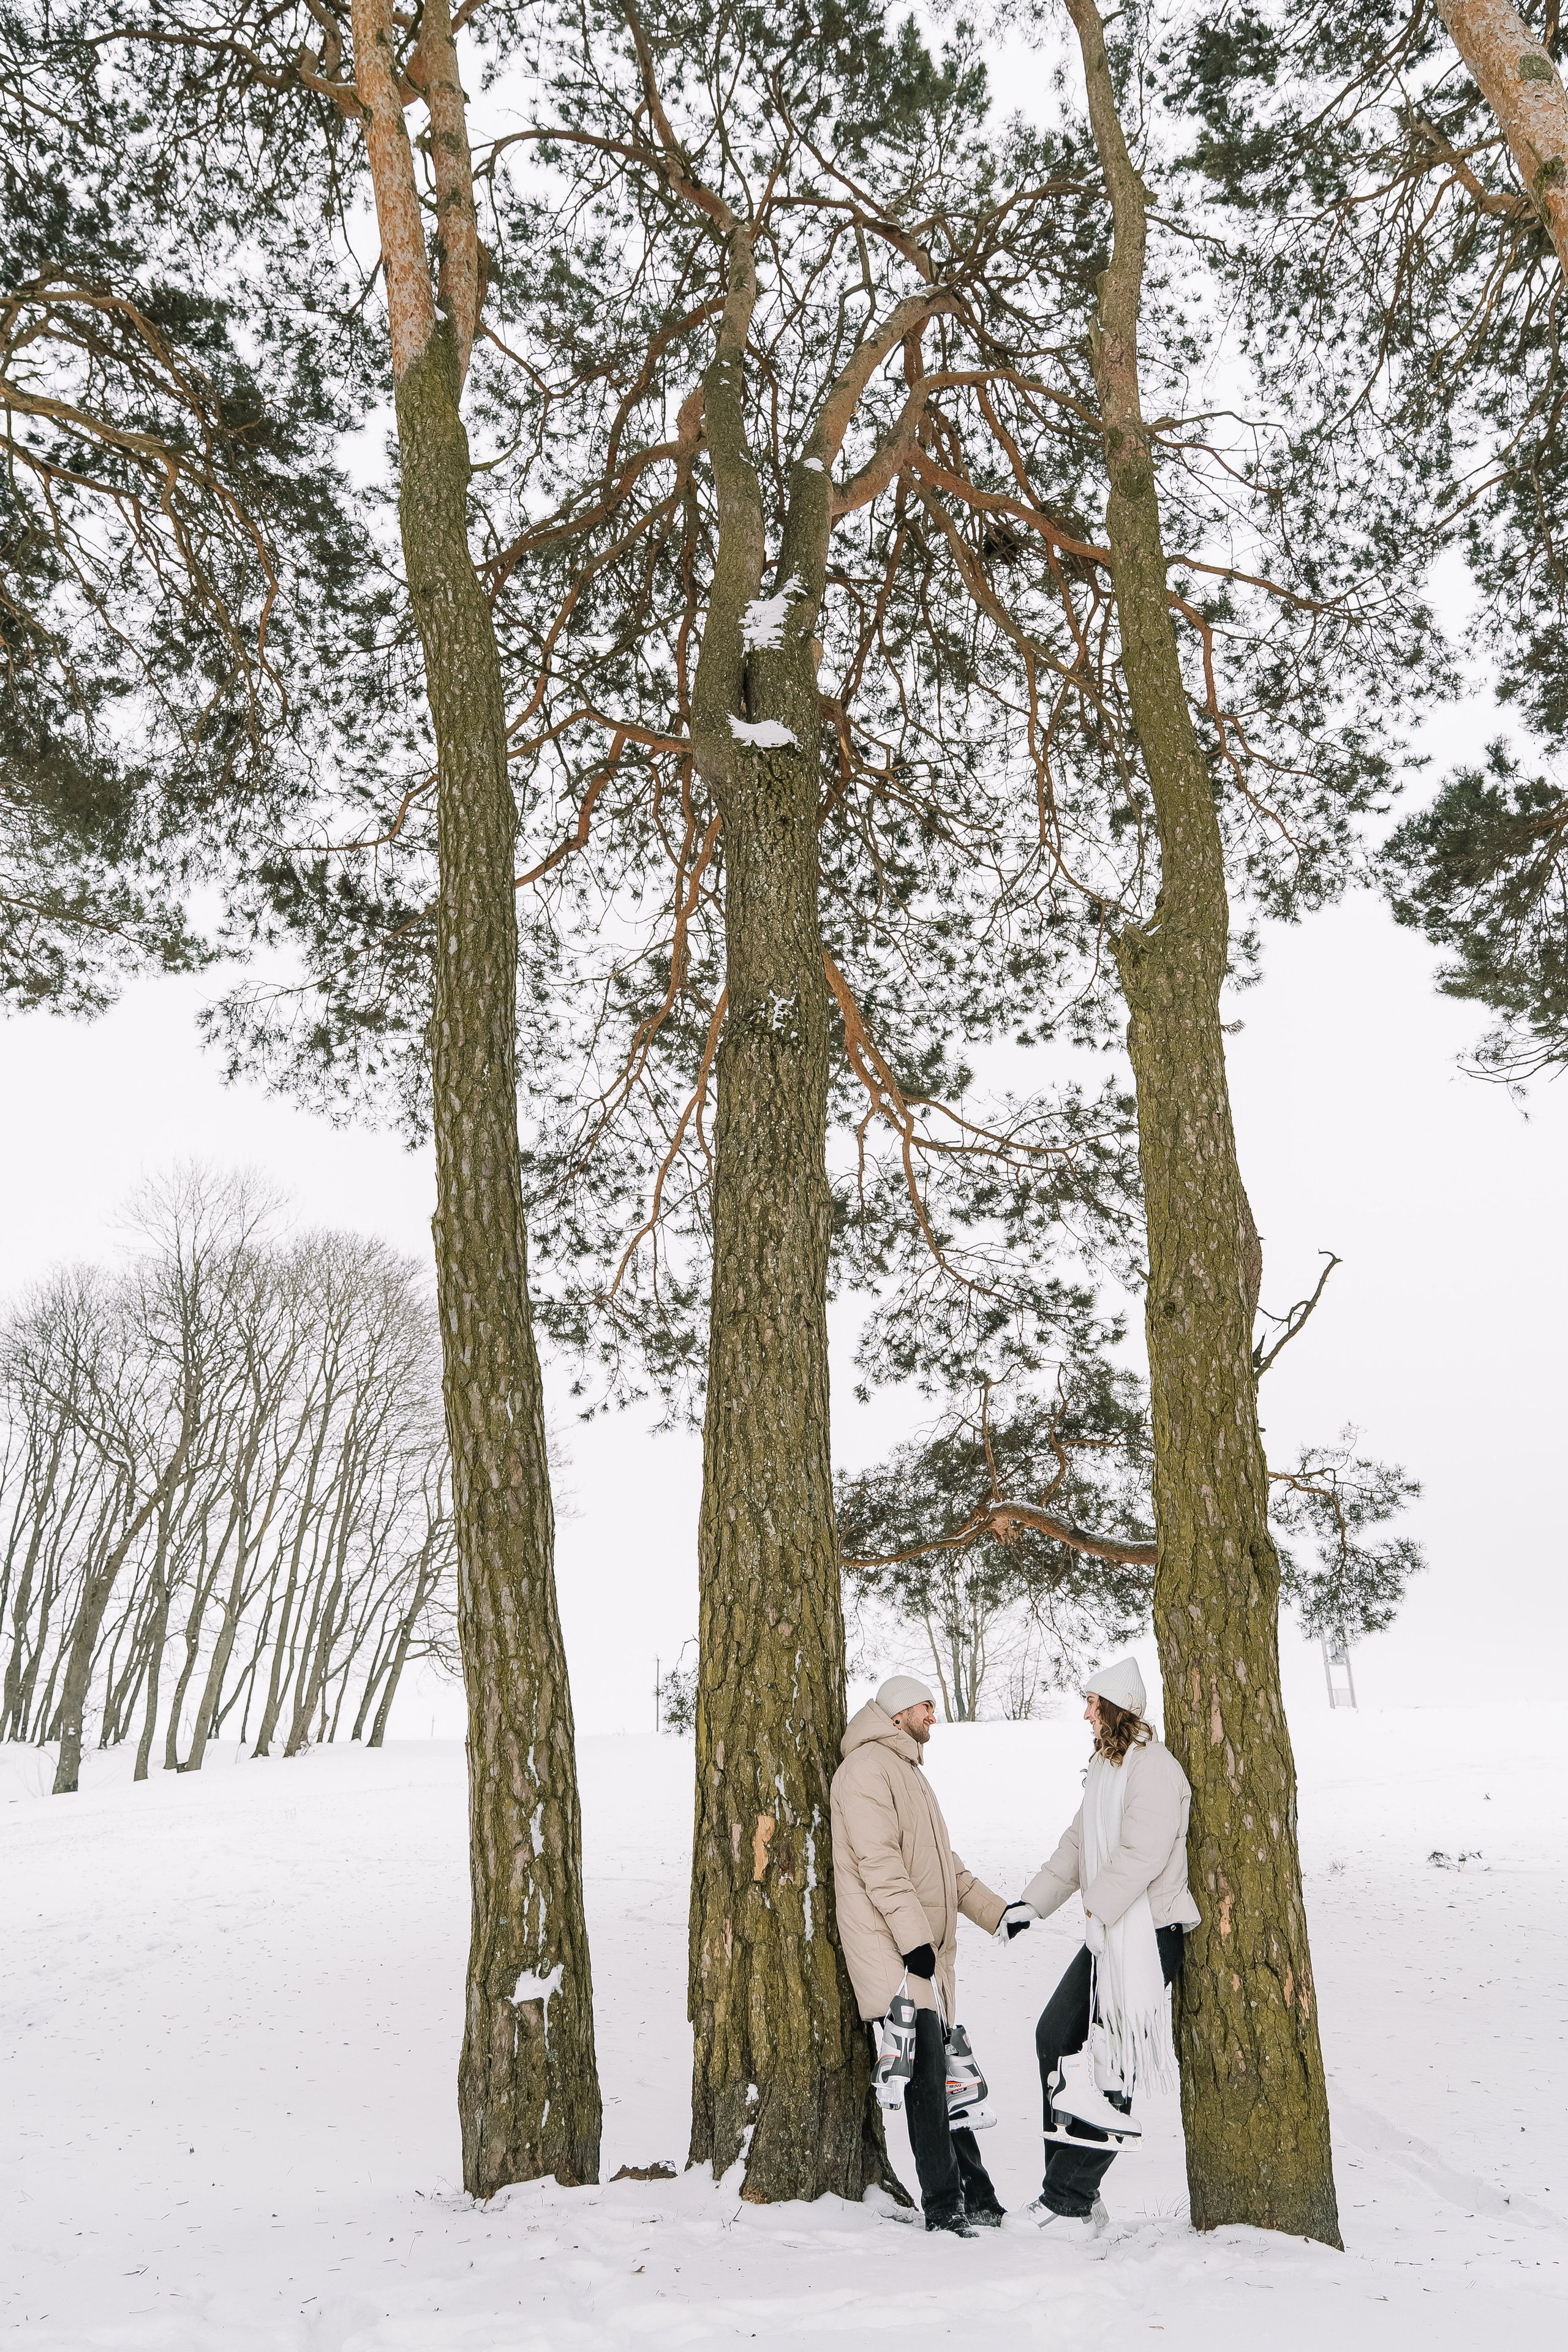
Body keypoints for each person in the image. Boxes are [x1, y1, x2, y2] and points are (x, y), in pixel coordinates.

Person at [998, 1656, 1201, 2240]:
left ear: (1116, 1708)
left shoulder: (1154, 1769)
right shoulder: (1106, 1769)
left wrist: (1095, 1911)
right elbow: (1076, 1844)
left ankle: (1068, 2202)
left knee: (1116, 2060)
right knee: (1053, 2037)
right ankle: (1068, 2193)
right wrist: (1032, 1904)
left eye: (1092, 1704)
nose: (1086, 1714)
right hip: (1109, 1932)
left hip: (1146, 1935)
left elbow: (1144, 1854)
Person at [830, 1672, 1011, 2237]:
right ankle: (944, 2206)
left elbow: (943, 1865)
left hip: (920, 1953)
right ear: (896, 1714)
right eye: (925, 1706)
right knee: (927, 2077)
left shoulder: (908, 1772)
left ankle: (980, 2198)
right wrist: (913, 1943)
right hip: (891, 1947)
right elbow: (879, 1865)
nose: (934, 1715)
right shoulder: (866, 1770)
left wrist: (997, 1913)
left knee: (948, 2076)